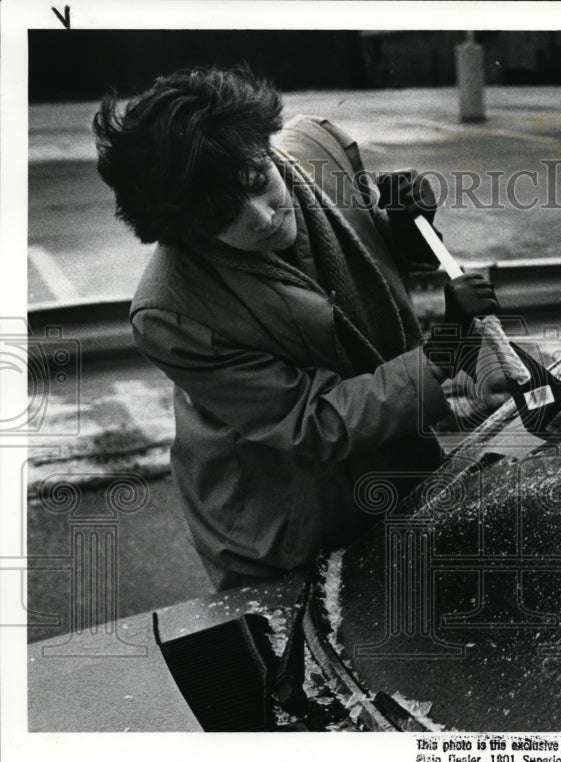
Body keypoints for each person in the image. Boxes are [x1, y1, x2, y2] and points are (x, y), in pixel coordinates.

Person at [93, 66, 502, 589]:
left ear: (264, 148)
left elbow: (368, 262)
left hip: (395, 472)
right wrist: (444, 352)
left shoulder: (322, 149)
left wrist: (407, 232)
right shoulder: (170, 312)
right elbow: (314, 422)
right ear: (180, 227)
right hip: (283, 532)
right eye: (223, 218)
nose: (262, 218)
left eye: (258, 182)